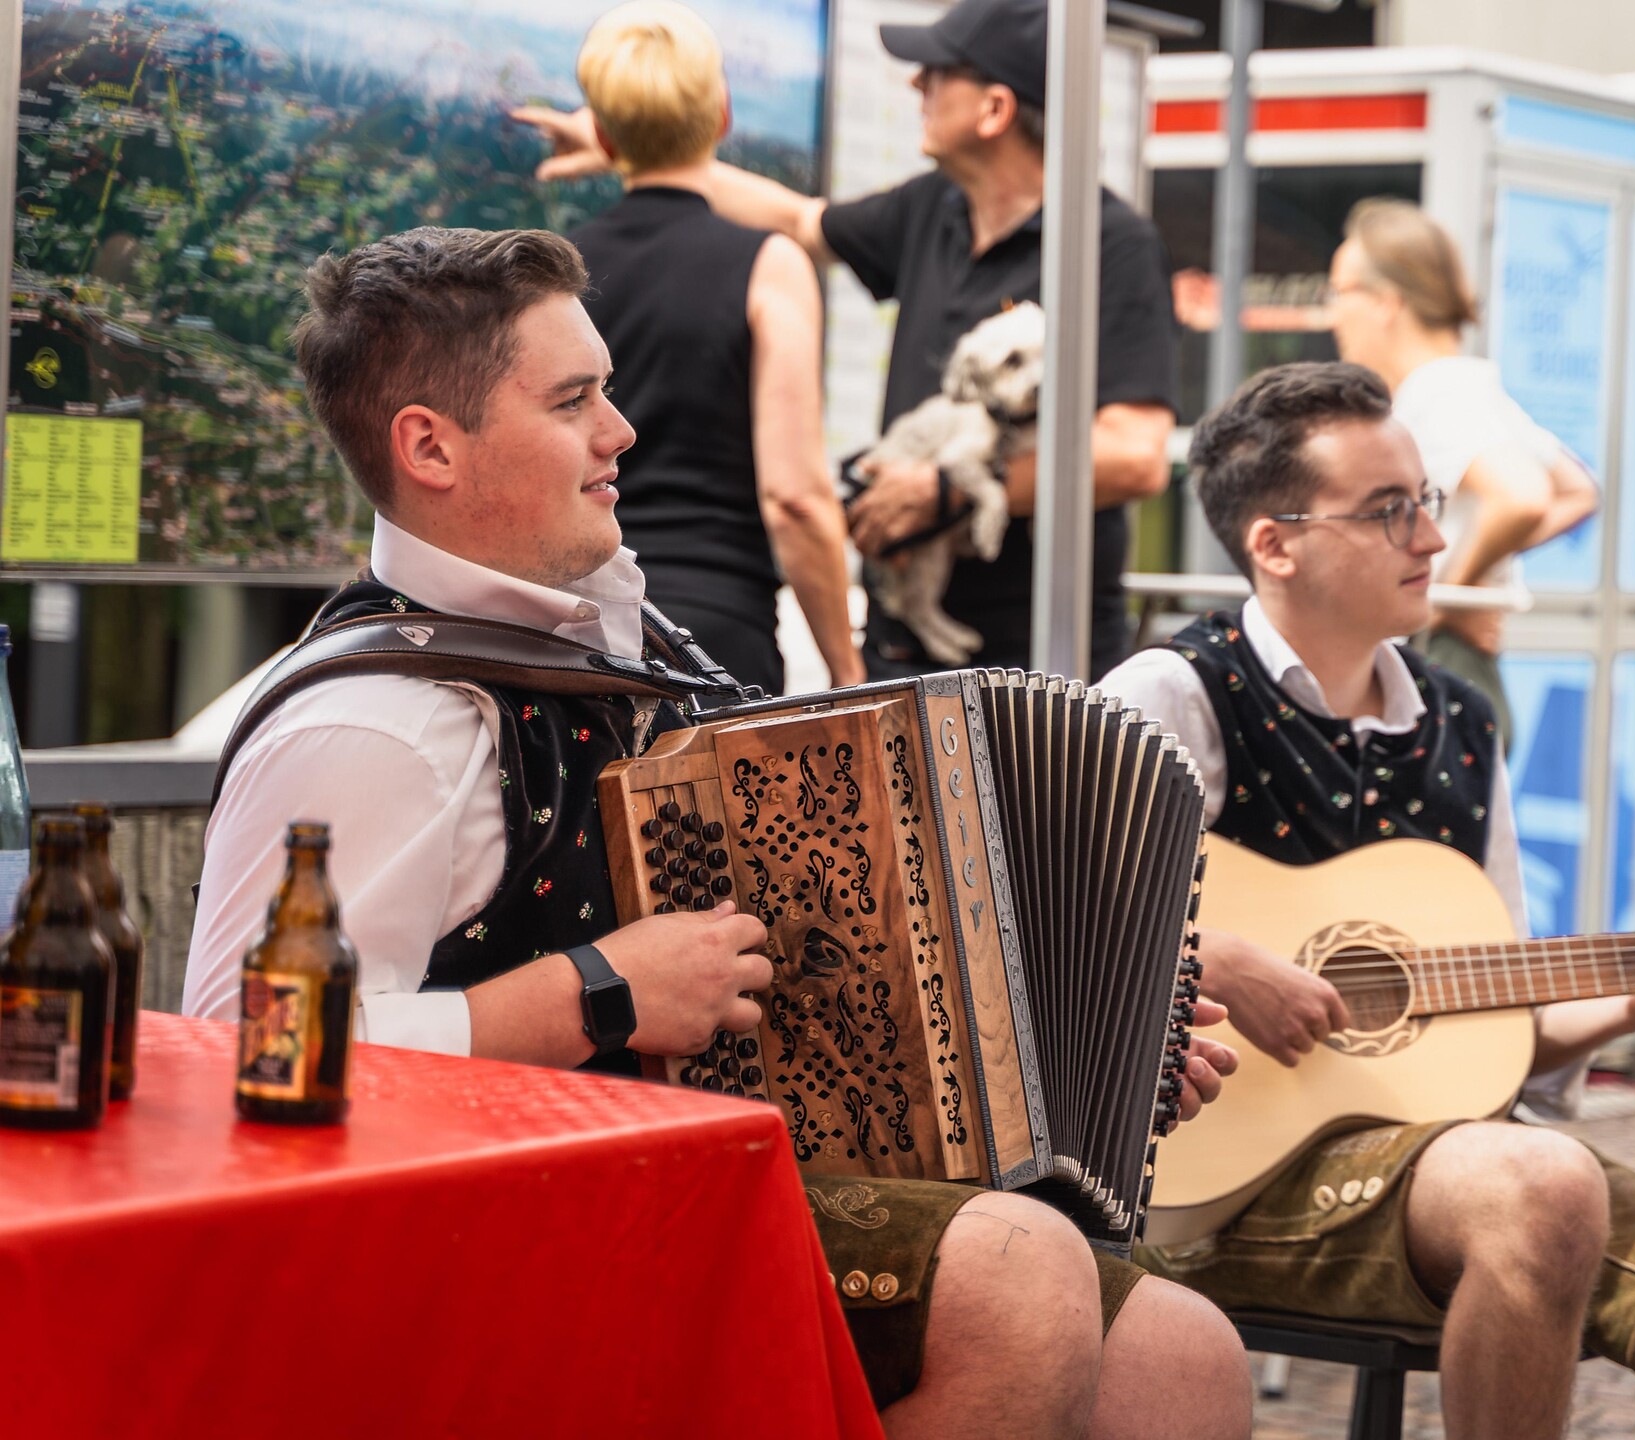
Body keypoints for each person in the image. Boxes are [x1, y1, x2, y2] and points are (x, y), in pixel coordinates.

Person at [182, 227, 1251, 1438]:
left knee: (1183, 1353)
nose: (619, 432)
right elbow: (232, 1060)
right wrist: (592, 994)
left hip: (697, 1166)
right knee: (1014, 1278)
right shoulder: (374, 724)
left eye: (609, 391)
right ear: (429, 444)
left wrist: (1097, 1022)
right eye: (575, 399)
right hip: (497, 1228)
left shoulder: (632, 646)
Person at [1100, 362, 1635, 1440]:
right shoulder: (1171, 694)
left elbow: (1494, 1017)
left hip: (1458, 1163)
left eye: (1426, 500)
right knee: (1542, 1182)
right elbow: (1022, 913)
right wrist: (1211, 956)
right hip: (1213, 1182)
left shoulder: (1461, 726)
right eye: (1389, 511)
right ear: (1273, 544)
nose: (1433, 538)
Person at [515, 0, 1179, 682]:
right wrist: (642, 147)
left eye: (936, 74)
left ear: (995, 110)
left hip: (1033, 652)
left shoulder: (1108, 245)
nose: (916, 87)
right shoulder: (929, 210)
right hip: (902, 646)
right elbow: (804, 219)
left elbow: (1135, 456)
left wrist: (952, 489)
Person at [565, 1, 860, 694]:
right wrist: (848, 669)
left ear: (603, 137)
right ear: (723, 116)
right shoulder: (770, 265)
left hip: (579, 637)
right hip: (720, 645)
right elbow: (794, 498)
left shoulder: (555, 277)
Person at [1326, 198, 1599, 743]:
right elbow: (1575, 491)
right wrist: (1475, 579)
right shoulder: (1468, 382)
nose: (1332, 312)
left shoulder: (1436, 393)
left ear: (1386, 301)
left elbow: (1523, 496)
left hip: (1442, 661)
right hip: (1465, 664)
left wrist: (1446, 598)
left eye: (1339, 292)